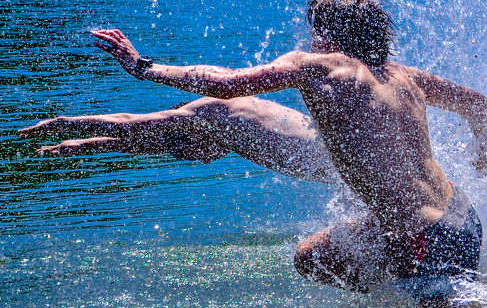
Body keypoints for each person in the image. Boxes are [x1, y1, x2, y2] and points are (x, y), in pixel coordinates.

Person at [72, 0, 487, 294]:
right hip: (462, 218)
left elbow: (228, 85)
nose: (308, 39)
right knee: (314, 254)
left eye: (313, 30)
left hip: (424, 236)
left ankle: (414, 284)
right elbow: (481, 106)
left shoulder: (316, 65)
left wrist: (144, 66)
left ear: (326, 35)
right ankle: (409, 288)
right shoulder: (406, 76)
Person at [20, 96, 335, 183]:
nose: (198, 160)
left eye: (185, 151)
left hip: (347, 162)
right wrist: (84, 146)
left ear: (192, 133)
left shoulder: (213, 112)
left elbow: (130, 125)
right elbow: (148, 143)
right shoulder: (225, 132)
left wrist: (67, 124)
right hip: (349, 174)